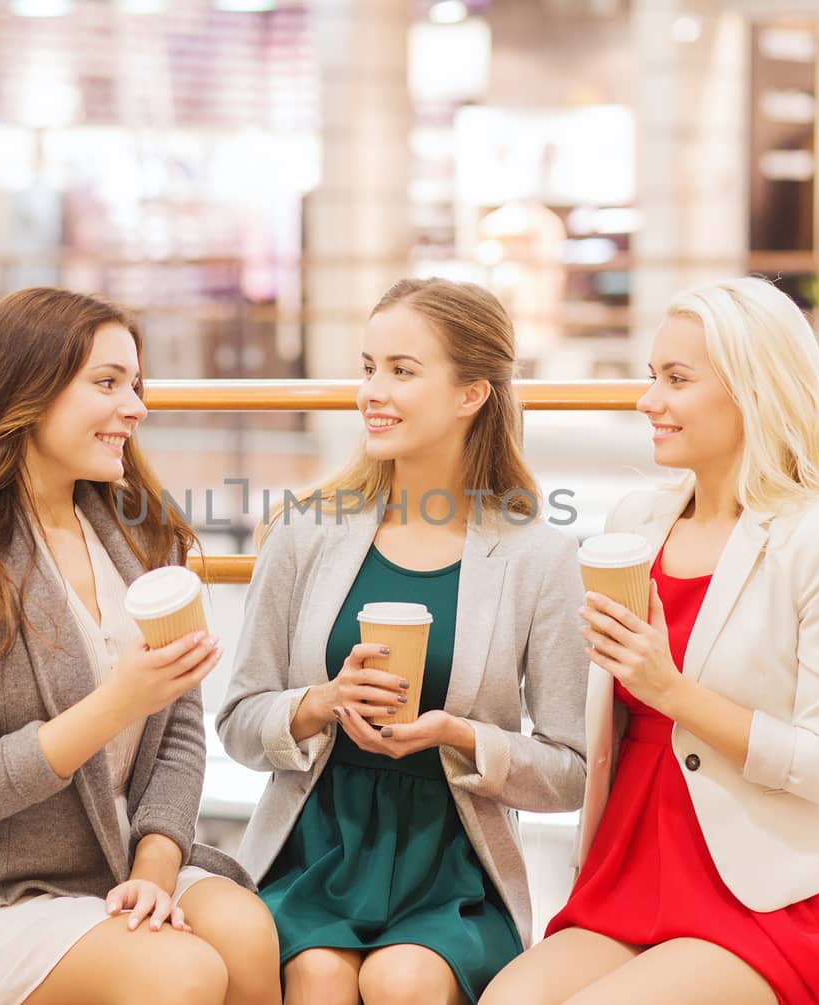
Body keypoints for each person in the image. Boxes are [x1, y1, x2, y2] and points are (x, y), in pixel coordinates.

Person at [0, 288, 281, 1005]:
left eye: (135, 386)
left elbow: (177, 739)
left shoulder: (137, 538)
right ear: (27, 391)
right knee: (183, 969)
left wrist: (156, 865)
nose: (136, 408)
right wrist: (116, 704)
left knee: (245, 930)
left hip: (117, 860)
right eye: (107, 383)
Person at [483, 276, 819, 1005]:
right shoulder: (637, 521)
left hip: (762, 900)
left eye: (676, 379)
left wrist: (672, 692)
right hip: (628, 871)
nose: (649, 401)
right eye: (651, 378)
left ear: (753, 391)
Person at [216, 277, 588, 1005]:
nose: (371, 392)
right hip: (314, 847)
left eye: (402, 370)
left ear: (471, 394)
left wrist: (461, 735)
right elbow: (236, 722)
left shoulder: (537, 557)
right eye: (367, 367)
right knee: (317, 975)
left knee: (404, 979)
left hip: (455, 866)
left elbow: (571, 769)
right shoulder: (305, 530)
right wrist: (316, 704)